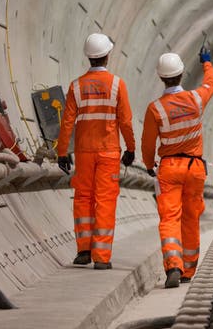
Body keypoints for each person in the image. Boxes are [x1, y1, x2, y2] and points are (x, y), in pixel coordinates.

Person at [57, 33, 136, 270]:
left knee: (83, 199)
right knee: (104, 201)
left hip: (83, 152)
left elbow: (67, 122)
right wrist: (131, 148)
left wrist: (62, 151)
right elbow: (126, 121)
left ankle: (83, 250)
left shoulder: (76, 86)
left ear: (88, 57)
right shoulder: (116, 84)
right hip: (109, 152)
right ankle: (101, 256)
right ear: (107, 55)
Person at [141, 47, 213, 288]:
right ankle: (189, 269)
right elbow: (211, 84)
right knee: (191, 217)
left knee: (169, 218)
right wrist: (206, 62)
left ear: (161, 77)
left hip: (169, 168)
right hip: (194, 168)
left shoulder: (156, 108)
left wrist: (148, 163)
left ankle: (174, 264)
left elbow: (148, 142)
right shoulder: (196, 98)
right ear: (181, 74)